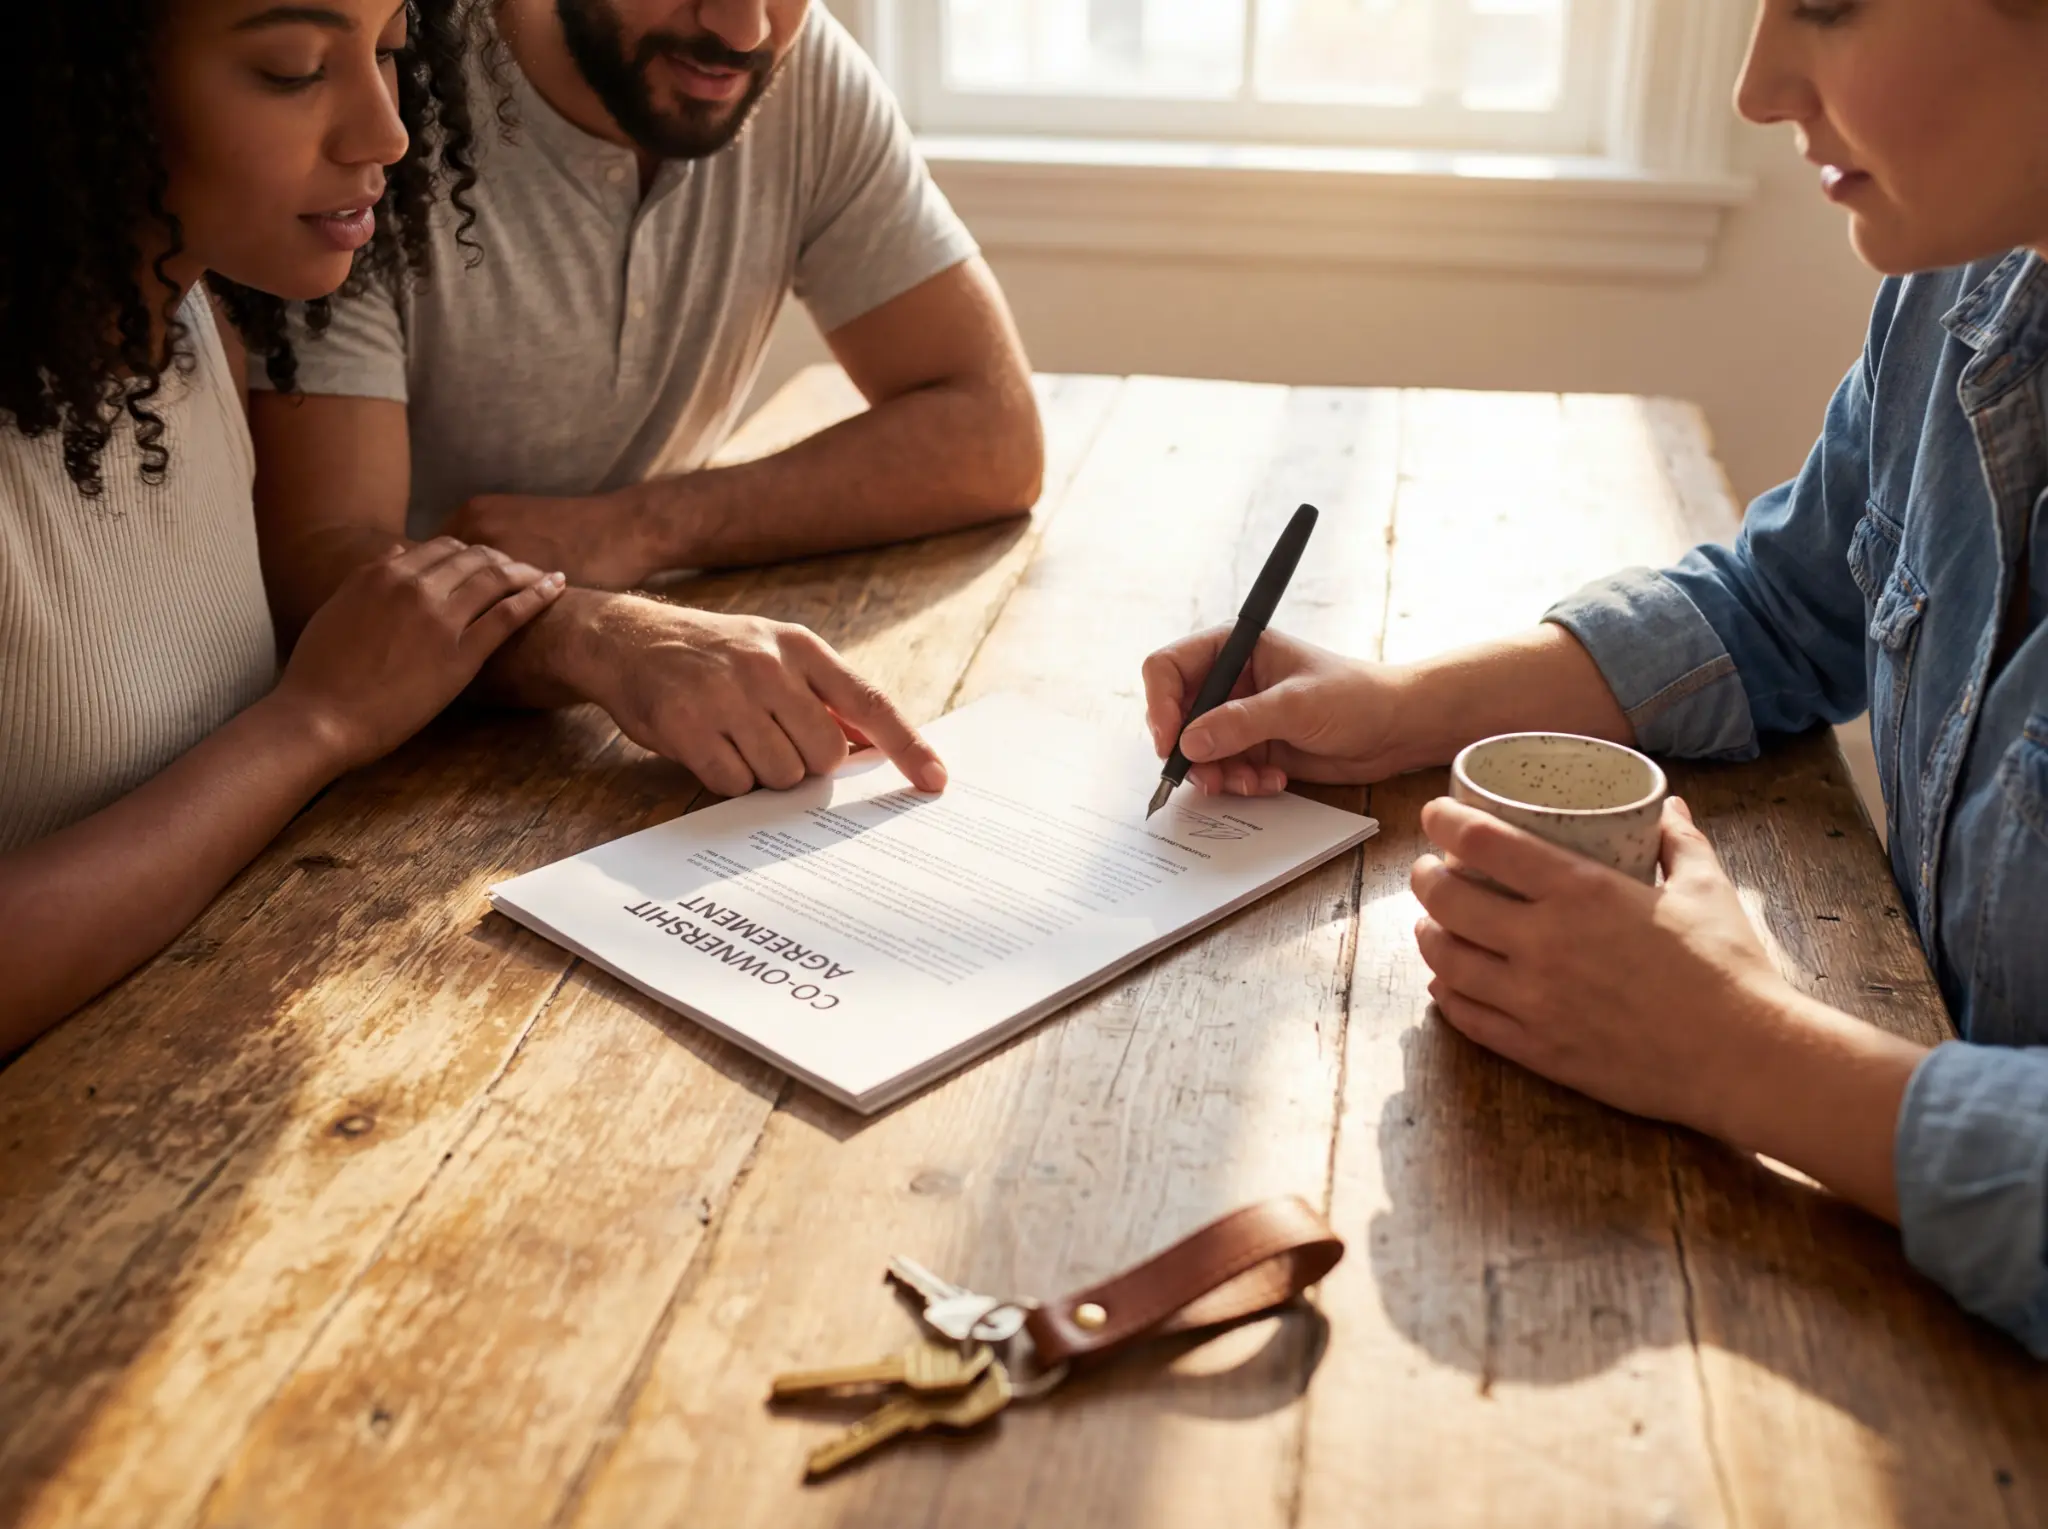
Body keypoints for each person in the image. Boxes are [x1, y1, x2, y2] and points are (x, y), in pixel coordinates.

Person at [1141, 0, 2048, 1358]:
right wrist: (1400, 707)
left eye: (1827, 5)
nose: (1754, 89)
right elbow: (1778, 605)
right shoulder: (1967, 286)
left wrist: (1744, 1054)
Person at [246, 0, 1036, 799]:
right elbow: (319, 565)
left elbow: (992, 438)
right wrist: (589, 636)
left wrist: (639, 525)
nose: (746, 32)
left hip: (605, 737)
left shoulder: (800, 71)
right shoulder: (380, 84)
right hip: (360, 773)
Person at [0, 0, 575, 1054]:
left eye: (391, 52)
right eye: (293, 68)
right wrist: (309, 726)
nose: (385, 132)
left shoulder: (195, 326)